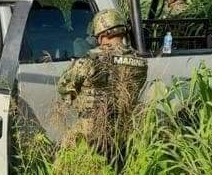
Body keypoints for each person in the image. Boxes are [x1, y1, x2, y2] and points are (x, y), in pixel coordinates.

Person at [57, 9, 148, 163]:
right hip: (123, 130)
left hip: (90, 129)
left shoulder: (90, 59)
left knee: (65, 165)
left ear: (103, 34)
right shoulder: (140, 62)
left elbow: (63, 86)